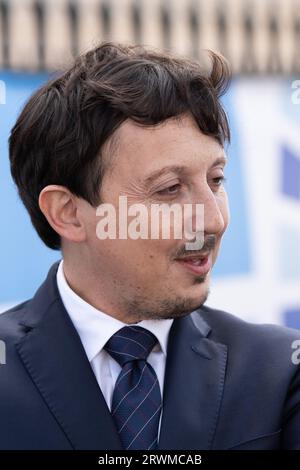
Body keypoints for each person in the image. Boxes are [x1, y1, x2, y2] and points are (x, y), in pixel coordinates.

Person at [0, 41, 300, 450]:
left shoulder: (279, 370)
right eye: (170, 189)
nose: (212, 220)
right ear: (67, 212)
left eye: (216, 180)